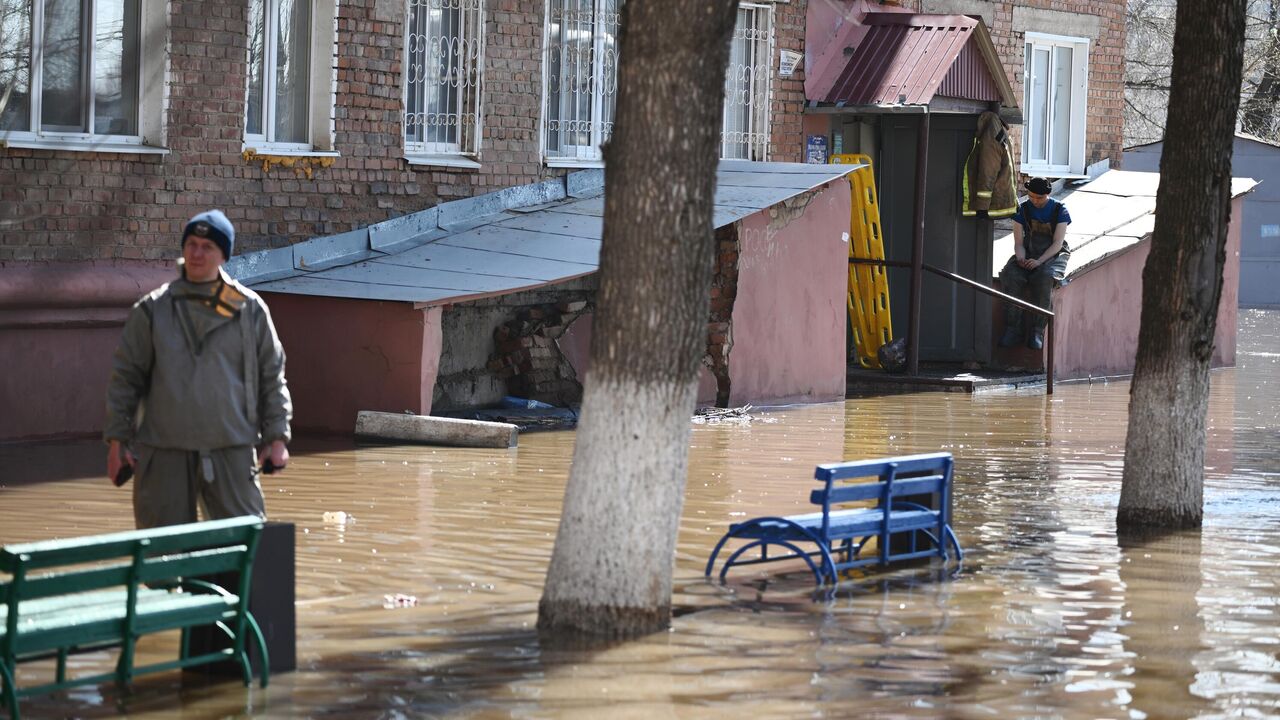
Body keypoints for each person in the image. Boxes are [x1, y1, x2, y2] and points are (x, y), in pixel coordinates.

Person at [104, 209, 292, 529]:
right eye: (191, 244)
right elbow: (126, 378)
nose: (196, 253)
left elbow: (271, 376)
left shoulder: (249, 309)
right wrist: (117, 442)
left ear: (223, 255)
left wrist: (277, 439)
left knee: (244, 547)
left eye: (207, 247)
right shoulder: (153, 310)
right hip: (164, 450)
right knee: (162, 558)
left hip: (230, 447)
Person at [998, 177, 1071, 350]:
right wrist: (1021, 258)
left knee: (1044, 277)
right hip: (1028, 251)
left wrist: (1039, 261)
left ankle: (1037, 331)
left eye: (1040, 198)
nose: (1035, 201)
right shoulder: (1022, 209)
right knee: (1011, 274)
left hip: (1052, 254)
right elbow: (1018, 242)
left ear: (1047, 194)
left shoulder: (1060, 210)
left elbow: (1057, 243)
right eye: (1031, 197)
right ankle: (1013, 329)